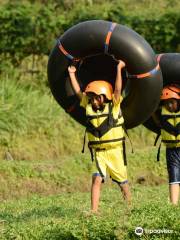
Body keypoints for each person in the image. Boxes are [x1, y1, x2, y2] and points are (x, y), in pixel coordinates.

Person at [68, 60, 131, 213]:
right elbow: (77, 92)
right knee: (96, 179)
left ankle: (130, 208)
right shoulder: (88, 105)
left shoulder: (114, 106)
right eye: (91, 97)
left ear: (103, 97)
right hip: (99, 153)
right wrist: (72, 74)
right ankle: (94, 211)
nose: (93, 101)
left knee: (122, 183)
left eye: (96, 97)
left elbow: (117, 89)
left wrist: (118, 68)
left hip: (115, 152)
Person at [156, 85, 180, 205]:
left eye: (172, 102)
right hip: (171, 150)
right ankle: (173, 205)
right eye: (166, 103)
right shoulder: (161, 114)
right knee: (174, 176)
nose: (169, 105)